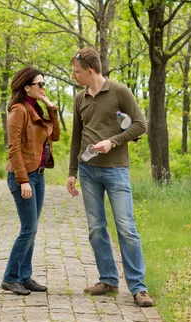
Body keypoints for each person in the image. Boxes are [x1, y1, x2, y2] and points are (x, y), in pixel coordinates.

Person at [66, 48, 154, 307]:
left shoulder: (119, 92)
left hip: (115, 169)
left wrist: (112, 142)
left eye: (77, 72)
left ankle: (139, 288)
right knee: (96, 229)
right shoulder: (79, 99)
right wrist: (72, 172)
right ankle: (108, 280)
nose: (74, 76)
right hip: (88, 171)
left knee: (126, 228)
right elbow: (76, 137)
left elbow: (140, 125)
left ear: (90, 70)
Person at [2, 66, 61, 296]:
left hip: (38, 175)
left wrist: (51, 108)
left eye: (44, 83)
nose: (43, 87)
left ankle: (24, 277)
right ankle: (10, 277)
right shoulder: (19, 110)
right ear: (27, 87)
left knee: (32, 229)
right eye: (40, 84)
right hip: (23, 177)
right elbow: (14, 147)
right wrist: (23, 180)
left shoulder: (36, 109)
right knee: (29, 228)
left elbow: (54, 135)